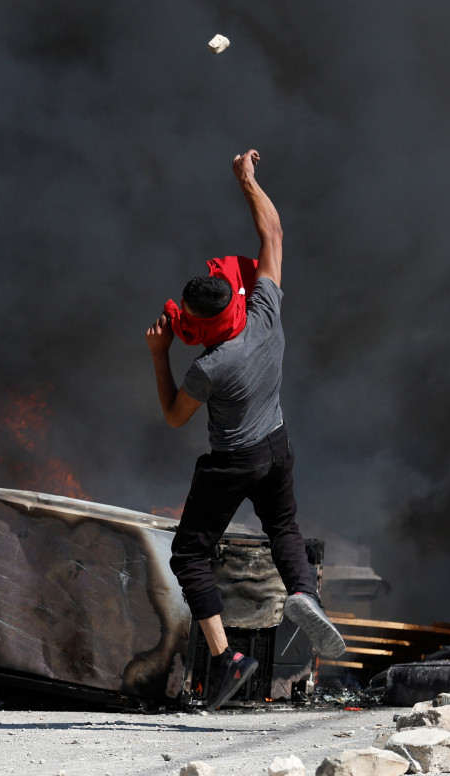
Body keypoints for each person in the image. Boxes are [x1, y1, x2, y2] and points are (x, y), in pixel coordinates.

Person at [145, 149, 346, 710]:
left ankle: (229, 658)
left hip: (233, 460)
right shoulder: (264, 311)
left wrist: (160, 356)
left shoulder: (208, 367)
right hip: (277, 445)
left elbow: (173, 417)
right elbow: (273, 233)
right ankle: (304, 593)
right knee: (283, 526)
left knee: (189, 553)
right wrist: (247, 181)